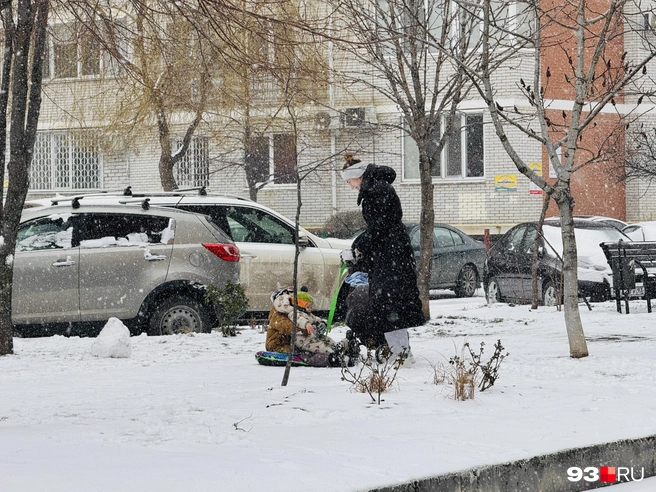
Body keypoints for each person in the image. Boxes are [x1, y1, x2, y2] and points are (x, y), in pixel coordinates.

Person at [340, 152, 426, 359]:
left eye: (350, 181)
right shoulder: (378, 188)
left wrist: (360, 247)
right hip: (393, 254)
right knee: (391, 305)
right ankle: (401, 351)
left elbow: (380, 226)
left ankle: (400, 354)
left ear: (358, 176)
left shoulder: (375, 191)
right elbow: (381, 227)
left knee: (389, 306)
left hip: (391, 257)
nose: (351, 186)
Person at [265, 287, 358, 367]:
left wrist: (323, 324)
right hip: (280, 345)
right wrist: (307, 328)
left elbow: (314, 318)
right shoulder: (277, 315)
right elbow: (289, 327)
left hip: (294, 341)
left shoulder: (292, 311)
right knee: (308, 354)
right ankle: (332, 357)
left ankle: (342, 345)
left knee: (324, 340)